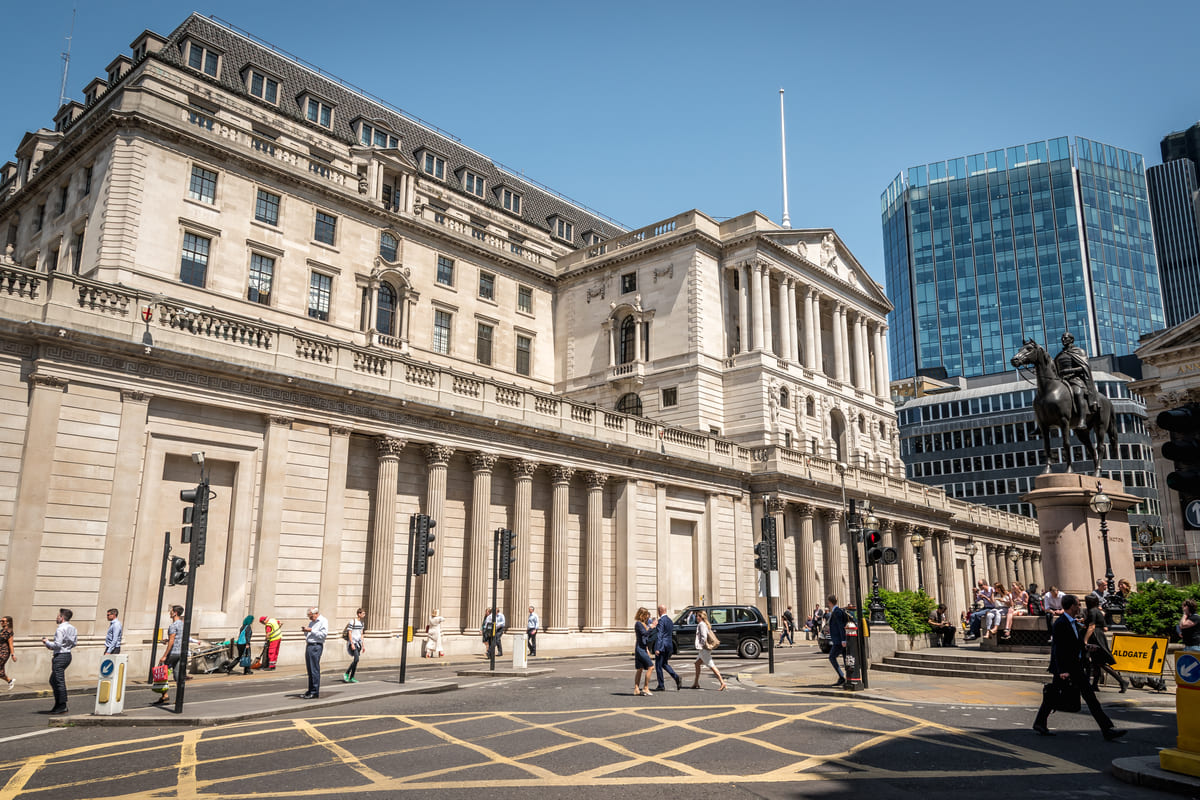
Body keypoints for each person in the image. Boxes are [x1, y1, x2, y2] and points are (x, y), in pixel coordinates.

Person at [1033, 594, 1124, 739]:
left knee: (1087, 697)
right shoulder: (1061, 623)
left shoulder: (1072, 622)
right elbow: (1058, 648)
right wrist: (1062, 670)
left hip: (1075, 666)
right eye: (1077, 604)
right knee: (1058, 695)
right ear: (1071, 606)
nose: (1079, 607)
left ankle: (1107, 729)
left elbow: (1074, 643)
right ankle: (1107, 729)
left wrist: (1086, 647)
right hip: (1066, 668)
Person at [1082, 594, 1127, 693]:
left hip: (1095, 638)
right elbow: (1105, 628)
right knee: (1096, 662)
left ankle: (1122, 681)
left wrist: (1085, 640)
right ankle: (1094, 685)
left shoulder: (1092, 612)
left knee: (1100, 663)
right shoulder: (1098, 611)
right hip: (1100, 636)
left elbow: (1091, 627)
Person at [1054, 332, 1098, 427]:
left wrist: (1068, 371)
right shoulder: (1059, 355)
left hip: (1075, 379)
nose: (1063, 340)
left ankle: (1082, 420)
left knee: (1077, 393)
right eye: (1062, 338)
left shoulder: (1079, 352)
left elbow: (1085, 367)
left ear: (1071, 340)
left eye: (1065, 338)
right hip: (1061, 380)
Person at [42, 608, 76, 714]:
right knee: (53, 680)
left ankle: (62, 705)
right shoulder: (72, 628)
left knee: (59, 681)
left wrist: (47, 642)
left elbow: (57, 645)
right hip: (67, 655)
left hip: (60, 656)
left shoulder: (60, 629)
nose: (56, 618)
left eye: (58, 616)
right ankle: (58, 704)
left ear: (62, 617)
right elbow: (74, 643)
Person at [154, 605, 184, 706]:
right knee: (177, 675)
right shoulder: (183, 624)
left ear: (175, 613)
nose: (169, 613)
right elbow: (177, 638)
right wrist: (167, 640)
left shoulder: (173, 625)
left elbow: (172, 640)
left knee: (162, 672)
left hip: (173, 653)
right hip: (181, 652)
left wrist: (165, 655)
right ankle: (179, 698)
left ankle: (165, 696)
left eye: (171, 611)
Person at [690, 610, 727, 690]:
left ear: (700, 617)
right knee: (697, 664)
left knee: (711, 665)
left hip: (704, 649)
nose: (696, 617)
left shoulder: (701, 625)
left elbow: (703, 636)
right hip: (703, 650)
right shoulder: (704, 624)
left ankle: (722, 682)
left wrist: (701, 645)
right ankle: (696, 683)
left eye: (697, 616)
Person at [651, 603, 681, 691]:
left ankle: (661, 685)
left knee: (658, 666)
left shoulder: (661, 621)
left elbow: (660, 635)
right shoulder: (670, 620)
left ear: (660, 611)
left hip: (662, 646)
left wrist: (657, 648)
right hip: (669, 645)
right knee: (664, 664)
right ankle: (676, 677)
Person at [301, 606, 327, 699]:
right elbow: (310, 633)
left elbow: (323, 635)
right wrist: (306, 631)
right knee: (309, 669)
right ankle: (310, 689)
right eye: (309, 616)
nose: (310, 618)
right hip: (309, 645)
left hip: (316, 646)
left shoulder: (323, 621)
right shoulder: (312, 622)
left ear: (316, 614)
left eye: (311, 616)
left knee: (314, 669)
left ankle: (315, 691)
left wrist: (311, 630)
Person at [826, 595, 849, 687]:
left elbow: (840, 626)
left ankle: (842, 676)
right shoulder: (836, 611)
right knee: (845, 659)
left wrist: (843, 640)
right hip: (840, 640)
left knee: (832, 657)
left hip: (839, 641)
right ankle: (847, 677)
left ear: (830, 602)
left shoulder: (837, 612)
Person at [632, 608, 653, 695]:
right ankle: (645, 687)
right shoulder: (638, 624)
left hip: (643, 648)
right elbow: (645, 634)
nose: (647, 616)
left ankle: (636, 689)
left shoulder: (644, 624)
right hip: (640, 649)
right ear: (642, 615)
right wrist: (651, 628)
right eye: (646, 614)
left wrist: (647, 648)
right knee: (651, 667)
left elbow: (645, 638)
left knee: (640, 669)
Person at [344, 607, 365, 682]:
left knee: (356, 661)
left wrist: (363, 645)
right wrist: (351, 643)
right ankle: (347, 673)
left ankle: (352, 677)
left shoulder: (362, 623)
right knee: (356, 659)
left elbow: (361, 634)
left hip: (358, 643)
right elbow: (349, 632)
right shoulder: (353, 621)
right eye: (363, 613)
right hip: (353, 643)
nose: (364, 615)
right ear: (359, 614)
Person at [0, 616, 15, 690]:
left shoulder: (9, 631)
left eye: (3, 621)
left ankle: (10, 680)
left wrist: (13, 654)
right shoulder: (1, 631)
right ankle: (10, 680)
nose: (1, 622)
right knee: (0, 671)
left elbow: (11, 644)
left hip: (4, 653)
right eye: (1, 621)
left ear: (7, 622)